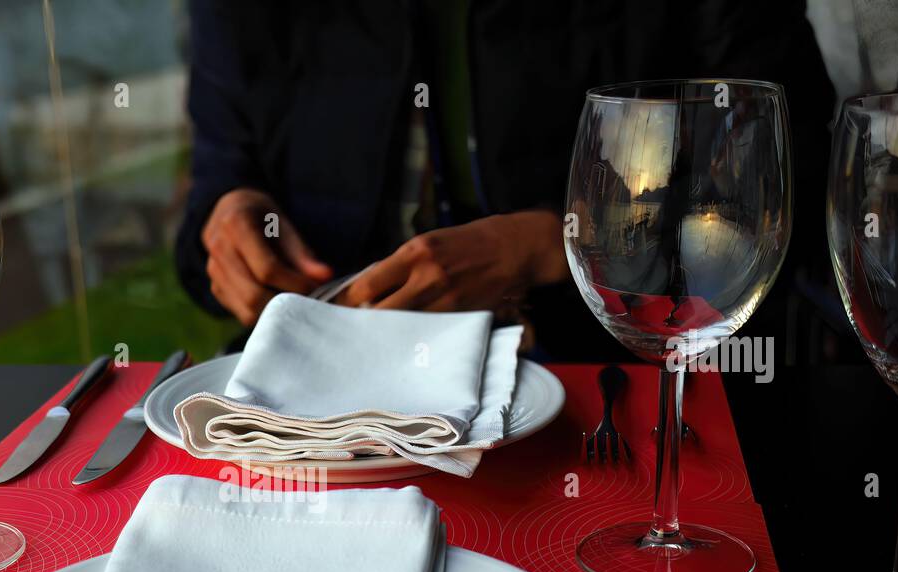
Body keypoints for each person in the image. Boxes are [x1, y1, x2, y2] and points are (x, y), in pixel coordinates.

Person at [175, 0, 835, 360]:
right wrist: (233, 220)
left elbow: (782, 182)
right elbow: (218, 179)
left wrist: (560, 245)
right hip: (323, 394)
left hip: (614, 374)